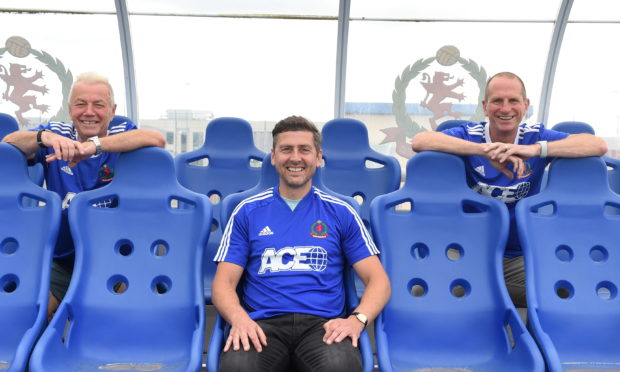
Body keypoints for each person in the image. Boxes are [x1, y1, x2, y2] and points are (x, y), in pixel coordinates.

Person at [411, 71, 607, 307]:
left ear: (525, 105)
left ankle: (520, 331)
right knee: (423, 295)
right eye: (497, 101)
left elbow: (597, 145)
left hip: (516, 256)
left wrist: (535, 150)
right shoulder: (469, 135)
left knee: (565, 292)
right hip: (464, 251)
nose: (505, 108)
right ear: (485, 106)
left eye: (513, 100)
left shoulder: (536, 136)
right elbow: (420, 141)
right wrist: (484, 150)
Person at [212, 115, 391, 372]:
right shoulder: (247, 211)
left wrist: (357, 320)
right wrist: (239, 319)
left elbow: (379, 281)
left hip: (323, 326)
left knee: (340, 367)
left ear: (318, 157)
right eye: (286, 149)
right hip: (263, 325)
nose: (295, 158)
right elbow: (223, 283)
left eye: (304, 150)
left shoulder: (341, 212)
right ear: (273, 157)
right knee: (238, 367)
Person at [3, 72, 165, 319]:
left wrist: (94, 145)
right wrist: (43, 137)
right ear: (70, 109)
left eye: (98, 105)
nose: (89, 112)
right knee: (26, 320)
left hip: (116, 257)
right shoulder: (56, 132)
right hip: (64, 259)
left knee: (127, 319)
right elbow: (9, 143)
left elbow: (156, 139)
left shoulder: (121, 129)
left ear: (112, 110)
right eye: (81, 104)